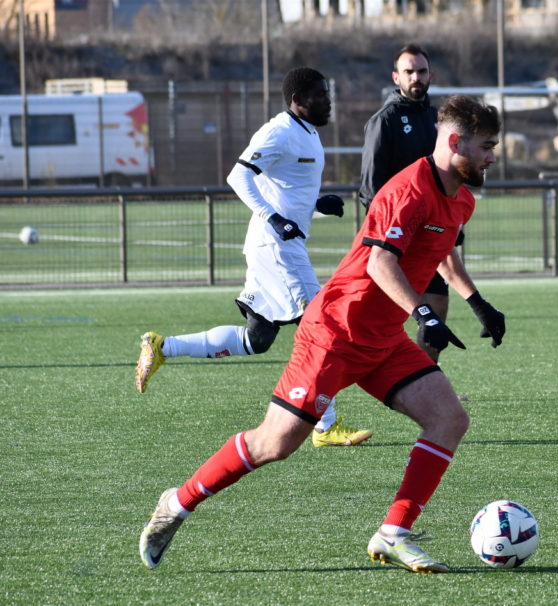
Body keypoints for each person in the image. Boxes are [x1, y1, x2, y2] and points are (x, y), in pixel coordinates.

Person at [139, 94, 506, 574]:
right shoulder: (407, 189)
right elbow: (380, 262)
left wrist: (477, 302)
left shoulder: (461, 200)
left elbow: (441, 251)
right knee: (276, 444)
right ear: (455, 142)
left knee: (449, 419)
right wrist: (423, 312)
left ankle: (393, 534)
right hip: (335, 331)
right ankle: (178, 502)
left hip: (382, 338)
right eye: (486, 146)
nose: (492, 156)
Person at [134, 67, 371, 447]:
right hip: (276, 247)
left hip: (277, 246)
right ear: (297, 100)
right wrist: (273, 218)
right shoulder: (278, 131)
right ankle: (325, 427)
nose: (328, 101)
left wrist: (316, 203)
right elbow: (238, 176)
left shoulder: (307, 132)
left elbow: (282, 184)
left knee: (257, 339)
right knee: (322, 324)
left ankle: (163, 346)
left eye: (327, 93)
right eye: (320, 95)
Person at [359, 43, 473, 367]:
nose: (416, 77)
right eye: (408, 72)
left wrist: (450, 221)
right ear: (396, 77)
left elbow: (448, 176)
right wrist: (390, 235)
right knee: (383, 319)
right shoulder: (385, 121)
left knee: (437, 306)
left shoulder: (439, 120)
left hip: (431, 233)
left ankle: (427, 377)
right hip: (397, 238)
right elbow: (371, 189)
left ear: (430, 75)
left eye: (421, 71)